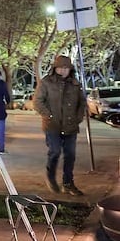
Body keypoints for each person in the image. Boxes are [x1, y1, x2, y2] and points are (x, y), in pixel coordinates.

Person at [34, 54, 86, 196]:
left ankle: (68, 183)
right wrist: (48, 115)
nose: (63, 70)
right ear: (55, 68)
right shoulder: (46, 82)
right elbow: (38, 102)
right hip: (53, 126)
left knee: (70, 155)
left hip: (71, 126)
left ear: (70, 69)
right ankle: (50, 177)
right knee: (55, 152)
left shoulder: (75, 84)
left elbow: (82, 103)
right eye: (60, 68)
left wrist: (78, 117)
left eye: (66, 68)